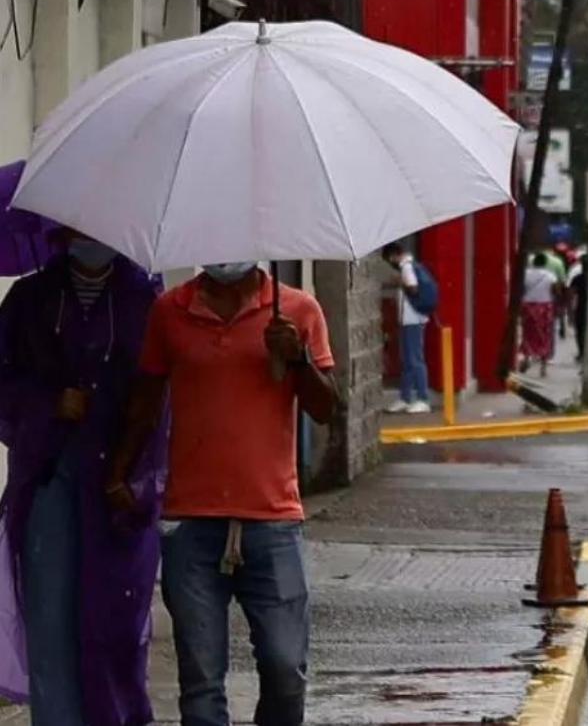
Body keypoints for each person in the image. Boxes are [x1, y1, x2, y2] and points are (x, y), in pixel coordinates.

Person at [106, 262, 338, 726]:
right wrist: (119, 472)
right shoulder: (169, 311)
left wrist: (298, 359)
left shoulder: (299, 310)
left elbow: (326, 408)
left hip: (273, 521)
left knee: (285, 669)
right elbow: (147, 400)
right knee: (201, 684)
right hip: (190, 523)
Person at [0, 231, 165, 726]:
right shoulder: (30, 298)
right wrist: (49, 404)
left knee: (113, 623)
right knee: (50, 620)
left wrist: (136, 476)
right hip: (49, 474)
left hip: (120, 484)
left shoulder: (144, 301)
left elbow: (161, 397)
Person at [383, 243, 431, 415]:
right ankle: (405, 398)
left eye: (389, 259)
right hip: (408, 320)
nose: (391, 263)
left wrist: (399, 282)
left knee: (415, 360)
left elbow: (413, 289)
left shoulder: (407, 267)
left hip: (412, 320)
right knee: (407, 360)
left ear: (393, 255)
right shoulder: (410, 266)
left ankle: (423, 398)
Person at [521, 253, 560, 377]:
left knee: (528, 333)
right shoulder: (550, 275)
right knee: (545, 335)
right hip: (545, 308)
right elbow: (556, 290)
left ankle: (527, 358)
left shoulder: (526, 274)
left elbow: (521, 289)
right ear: (545, 263)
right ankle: (543, 367)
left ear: (533, 263)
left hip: (528, 307)